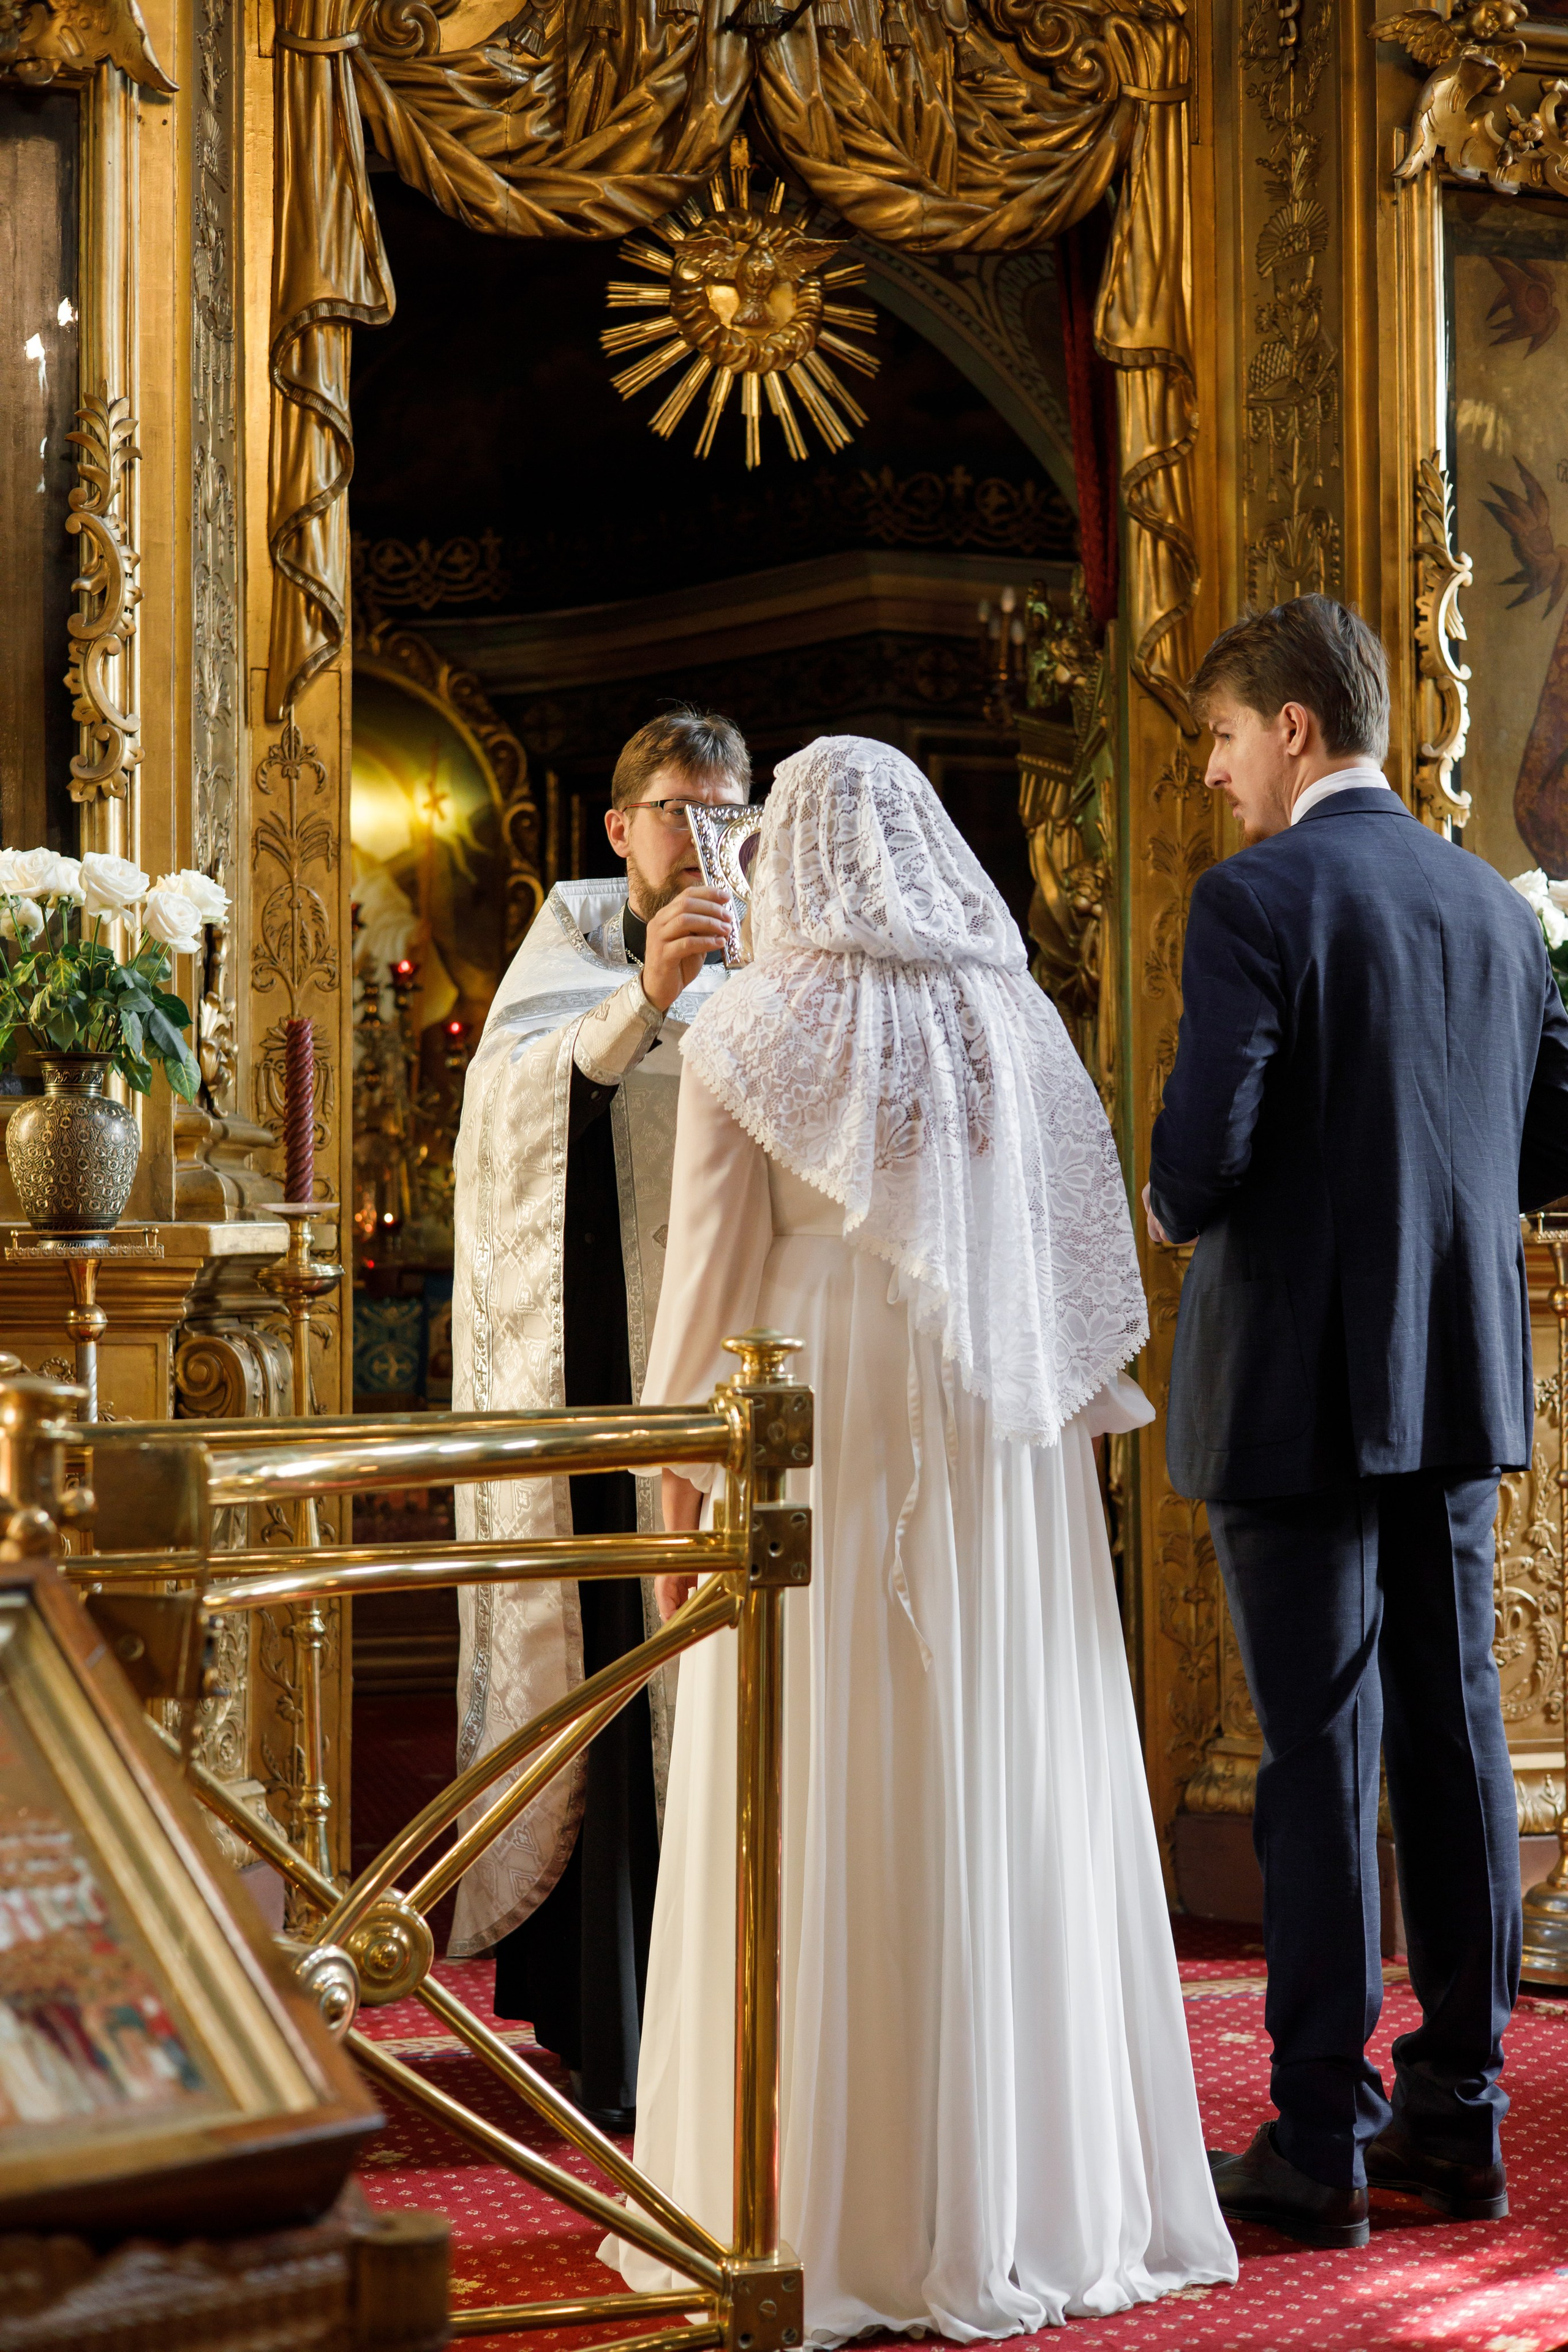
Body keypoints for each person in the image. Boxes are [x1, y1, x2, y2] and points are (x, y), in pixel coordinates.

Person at [605, 735, 1238, 2340]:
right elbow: (1063, 1258)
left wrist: (675, 1497)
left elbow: (701, 1294)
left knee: (822, 1764)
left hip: (818, 1396)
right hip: (989, 1427)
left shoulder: (751, 1024)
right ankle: (1023, 2188)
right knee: (991, 1753)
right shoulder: (1017, 1020)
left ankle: (815, 2199)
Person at [1145, 595, 1568, 2248]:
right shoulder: (1489, 903)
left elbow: (1200, 1152)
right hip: (1453, 1374)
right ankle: (1460, 2117)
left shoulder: (1255, 897)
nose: (1215, 777)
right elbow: (1552, 1141)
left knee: (1318, 1755)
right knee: (1455, 1738)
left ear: (1296, 730)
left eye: (1222, 741)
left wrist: (1180, 1208)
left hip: (1290, 1391)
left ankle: (1320, 2139)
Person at [449, 707, 747, 2129]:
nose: (706, 838)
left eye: (727, 809)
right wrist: (646, 1002)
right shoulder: (563, 956)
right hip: (602, 1391)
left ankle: (738, 2009)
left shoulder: (778, 948)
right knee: (619, 1676)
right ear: (621, 827)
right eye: (679, 810)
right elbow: (510, 1116)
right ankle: (612, 2023)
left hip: (733, 1388)